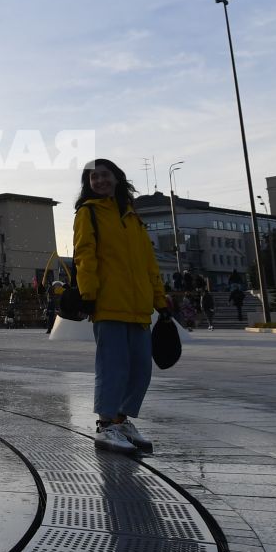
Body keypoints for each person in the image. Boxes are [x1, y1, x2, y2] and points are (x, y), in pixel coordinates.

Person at [74, 159, 170, 454]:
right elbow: (84, 255)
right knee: (113, 367)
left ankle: (121, 420)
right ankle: (105, 426)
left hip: (139, 306)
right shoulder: (88, 213)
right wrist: (88, 293)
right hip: (108, 302)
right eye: (93, 178)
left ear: (117, 178)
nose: (100, 181)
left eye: (105, 175)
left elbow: (148, 263)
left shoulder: (132, 216)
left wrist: (160, 300)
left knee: (140, 369)